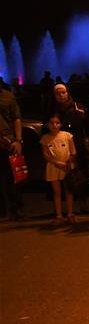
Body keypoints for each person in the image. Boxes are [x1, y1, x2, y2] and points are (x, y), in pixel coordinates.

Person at [41, 115, 77, 226]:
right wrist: (56, 162)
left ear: (60, 124)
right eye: (52, 123)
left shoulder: (67, 135)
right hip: (53, 166)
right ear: (48, 125)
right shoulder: (45, 138)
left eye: (57, 122)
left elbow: (73, 152)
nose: (54, 125)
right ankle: (59, 216)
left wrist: (67, 162)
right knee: (56, 192)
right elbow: (45, 154)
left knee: (68, 191)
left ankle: (70, 214)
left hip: (66, 166)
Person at [0, 81, 24, 220]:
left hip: (8, 141)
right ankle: (2, 210)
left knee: (14, 177)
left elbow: (16, 118)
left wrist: (18, 140)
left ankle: (17, 208)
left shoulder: (7, 96)